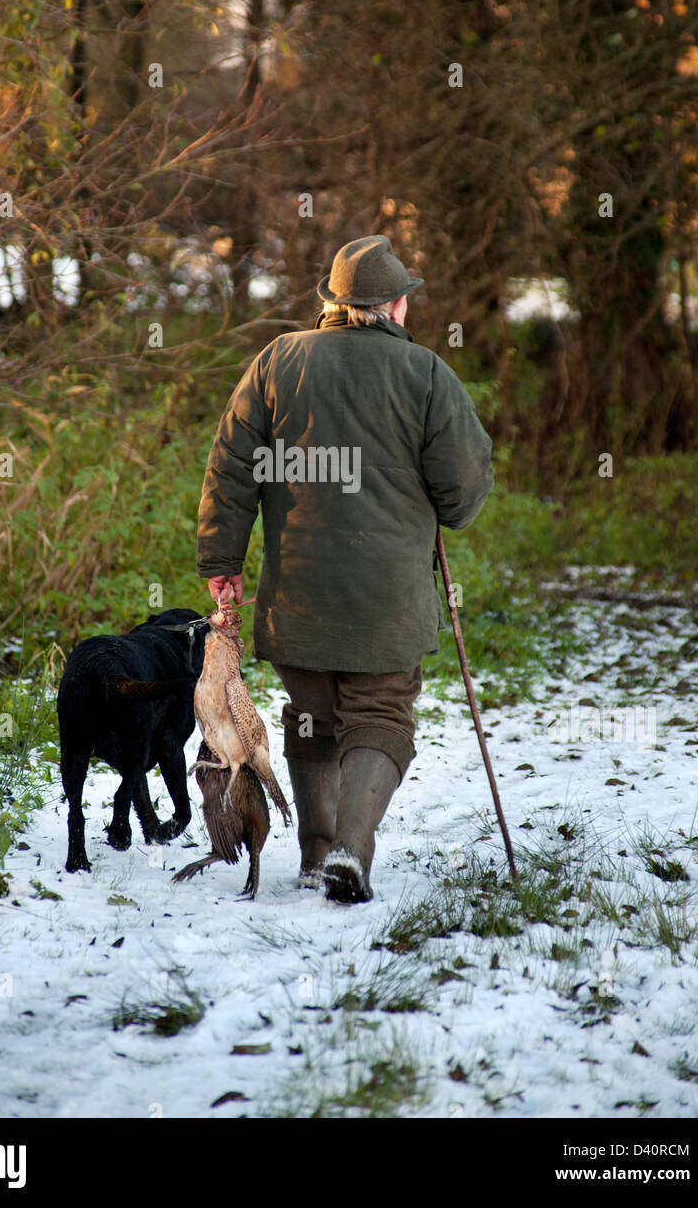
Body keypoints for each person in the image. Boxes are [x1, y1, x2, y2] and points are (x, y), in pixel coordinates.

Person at [196, 235, 494, 903]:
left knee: (310, 715)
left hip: (295, 588)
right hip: (386, 594)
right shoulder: (426, 375)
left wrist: (221, 561)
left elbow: (229, 470)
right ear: (395, 304)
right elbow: (463, 494)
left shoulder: (277, 361)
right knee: (380, 716)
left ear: (331, 302)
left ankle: (313, 855)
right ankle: (351, 853)